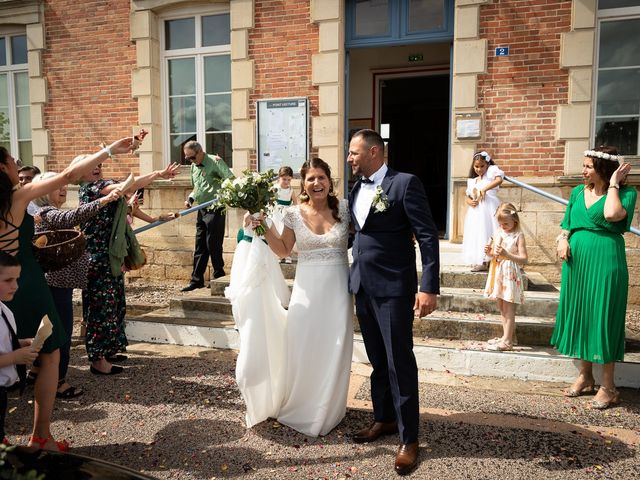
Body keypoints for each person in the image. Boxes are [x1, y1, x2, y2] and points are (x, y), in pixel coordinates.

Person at [0, 138, 133, 451]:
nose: (16, 167)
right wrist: (110, 150)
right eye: (11, 162)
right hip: (26, 282)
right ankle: (40, 435)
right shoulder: (17, 198)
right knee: (50, 353)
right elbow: (69, 176)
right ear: (2, 168)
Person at [238, 157, 353, 437]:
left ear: (330, 181)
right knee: (303, 347)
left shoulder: (347, 209)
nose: (317, 183)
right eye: (311, 179)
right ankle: (303, 406)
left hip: (338, 292)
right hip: (306, 292)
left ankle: (328, 409)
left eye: (321, 178)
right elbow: (282, 251)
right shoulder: (293, 214)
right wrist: (261, 226)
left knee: (335, 349)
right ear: (304, 183)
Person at [347, 129, 439, 476]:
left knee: (400, 362)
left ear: (374, 152)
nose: (349, 159)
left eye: (354, 153)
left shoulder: (405, 183)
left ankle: (409, 438)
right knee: (377, 360)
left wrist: (428, 286)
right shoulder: (357, 187)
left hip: (394, 288)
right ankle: (383, 418)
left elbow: (428, 236)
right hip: (363, 287)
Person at [551, 146, 636, 410]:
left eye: (588, 166)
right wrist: (563, 239)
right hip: (577, 264)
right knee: (582, 316)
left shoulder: (627, 194)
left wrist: (612, 185)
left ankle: (608, 387)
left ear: (603, 169)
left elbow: (612, 215)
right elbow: (567, 224)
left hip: (606, 261)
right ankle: (585, 376)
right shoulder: (577, 192)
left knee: (603, 318)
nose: (583, 170)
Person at [79, 159, 178, 375]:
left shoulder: (105, 186)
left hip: (111, 256)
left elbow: (127, 200)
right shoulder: (93, 189)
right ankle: (97, 360)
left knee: (114, 304)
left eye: (98, 166)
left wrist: (156, 176)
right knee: (99, 309)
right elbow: (128, 185)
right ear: (79, 173)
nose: (96, 168)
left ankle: (109, 349)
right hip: (97, 258)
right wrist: (158, 173)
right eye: (90, 167)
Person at [32, 172, 121, 398]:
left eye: (64, 186)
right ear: (43, 191)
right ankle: (58, 382)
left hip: (59, 284)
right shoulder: (46, 213)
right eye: (57, 186)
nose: (63, 189)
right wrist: (102, 200)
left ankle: (37, 372)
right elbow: (72, 217)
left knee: (47, 333)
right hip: (55, 285)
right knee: (60, 334)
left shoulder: (46, 213)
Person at [181, 141, 234, 291]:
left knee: (213, 245)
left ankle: (219, 278)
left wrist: (223, 194)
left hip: (216, 208)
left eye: (191, 157)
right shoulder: (193, 166)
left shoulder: (215, 161)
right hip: (202, 208)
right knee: (200, 245)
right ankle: (196, 280)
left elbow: (230, 178)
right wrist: (191, 198)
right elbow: (197, 187)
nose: (190, 161)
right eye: (187, 159)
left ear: (200, 152)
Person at [0, 252, 40, 444]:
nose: (15, 286)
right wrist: (15, 357)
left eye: (16, 279)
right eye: (8, 280)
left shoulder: (5, 309)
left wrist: (21, 343)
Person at [483, 203, 528, 351]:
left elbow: (524, 259)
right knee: (502, 306)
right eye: (500, 223)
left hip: (510, 272)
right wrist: (489, 252)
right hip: (498, 270)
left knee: (509, 308)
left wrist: (507, 254)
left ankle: (508, 341)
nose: (503, 226)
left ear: (515, 220)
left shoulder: (518, 235)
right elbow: (494, 255)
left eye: (506, 223)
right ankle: (505, 336)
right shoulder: (498, 233)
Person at [462, 151, 504, 272]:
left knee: (488, 230)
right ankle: (481, 259)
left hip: (488, 208)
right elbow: (468, 196)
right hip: (476, 211)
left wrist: (485, 189)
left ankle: (490, 259)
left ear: (487, 164)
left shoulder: (491, 173)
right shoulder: (473, 181)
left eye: (482, 166)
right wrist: (469, 201)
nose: (479, 169)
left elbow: (499, 180)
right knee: (477, 233)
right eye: (476, 166)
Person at [271, 166, 298, 264]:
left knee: (285, 233)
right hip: (276, 213)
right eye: (284, 179)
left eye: (289, 180)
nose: (286, 182)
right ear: (279, 178)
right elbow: (269, 200)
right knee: (277, 232)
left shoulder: (290, 190)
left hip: (286, 213)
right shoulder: (274, 188)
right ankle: (279, 254)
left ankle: (287, 254)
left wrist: (295, 212)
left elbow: (295, 202)